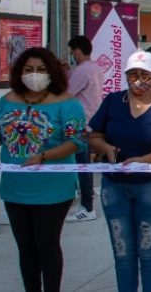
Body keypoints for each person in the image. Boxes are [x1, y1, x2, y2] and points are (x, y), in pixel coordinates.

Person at [0, 47, 87, 292]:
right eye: (29, 70)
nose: (34, 74)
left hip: (54, 188)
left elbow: (76, 141)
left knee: (47, 243)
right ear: (20, 72)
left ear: (51, 72)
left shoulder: (68, 103)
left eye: (41, 70)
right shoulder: (7, 101)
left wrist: (44, 156)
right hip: (15, 188)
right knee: (25, 246)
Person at [88, 51, 151, 292]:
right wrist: (106, 148)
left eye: (144, 75)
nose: (138, 80)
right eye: (133, 75)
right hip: (115, 185)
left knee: (148, 250)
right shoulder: (113, 102)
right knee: (122, 251)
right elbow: (94, 135)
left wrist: (143, 160)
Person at [65, 35, 104, 222]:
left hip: (81, 122)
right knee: (84, 164)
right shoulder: (96, 68)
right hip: (92, 120)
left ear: (78, 51)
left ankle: (87, 207)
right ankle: (85, 199)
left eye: (73, 52)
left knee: (83, 166)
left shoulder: (81, 71)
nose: (72, 55)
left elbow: (67, 93)